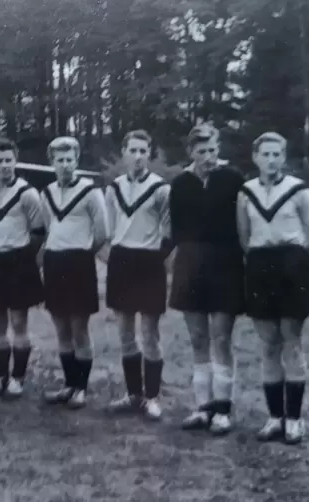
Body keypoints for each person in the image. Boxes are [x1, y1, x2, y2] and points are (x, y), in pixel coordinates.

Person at [237, 132, 309, 445]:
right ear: (256, 157)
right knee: (268, 343)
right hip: (261, 267)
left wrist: (301, 270)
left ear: (284, 158)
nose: (271, 160)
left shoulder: (298, 190)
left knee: (292, 341)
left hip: (292, 266)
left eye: (277, 154)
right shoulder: (246, 192)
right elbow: (244, 238)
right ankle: (274, 417)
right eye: (266, 154)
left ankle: (295, 419)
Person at [169, 124, 246, 435]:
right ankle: (202, 407)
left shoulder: (233, 178)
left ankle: (223, 409)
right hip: (190, 263)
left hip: (225, 262)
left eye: (213, 150)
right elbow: (176, 230)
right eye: (201, 152)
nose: (208, 157)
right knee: (198, 338)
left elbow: (243, 221)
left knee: (222, 337)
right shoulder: (181, 184)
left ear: (219, 148)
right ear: (191, 152)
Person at [103, 130, 171, 420]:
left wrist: (156, 258)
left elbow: (170, 231)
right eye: (134, 150)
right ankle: (133, 394)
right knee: (125, 333)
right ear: (124, 153)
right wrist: (114, 258)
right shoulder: (113, 188)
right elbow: (108, 231)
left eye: (144, 151)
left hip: (149, 262)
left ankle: (152, 397)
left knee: (150, 334)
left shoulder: (161, 188)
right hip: (121, 261)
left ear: (149, 154)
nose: (139, 156)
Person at [40, 137, 107, 409]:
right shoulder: (46, 193)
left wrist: (81, 252)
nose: (65, 165)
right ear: (52, 162)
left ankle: (81, 388)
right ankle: (68, 384)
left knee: (80, 329)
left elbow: (102, 232)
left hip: (79, 263)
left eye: (70, 160)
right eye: (60, 160)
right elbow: (48, 228)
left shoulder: (91, 192)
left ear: (77, 162)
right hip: (55, 262)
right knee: (61, 329)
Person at [0, 138, 45, 399]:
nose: (4, 165)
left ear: (15, 161)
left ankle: (17, 378)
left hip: (18, 262)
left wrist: (23, 255)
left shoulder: (28, 192)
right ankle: (0, 376)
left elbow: (38, 231)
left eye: (8, 160)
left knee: (18, 322)